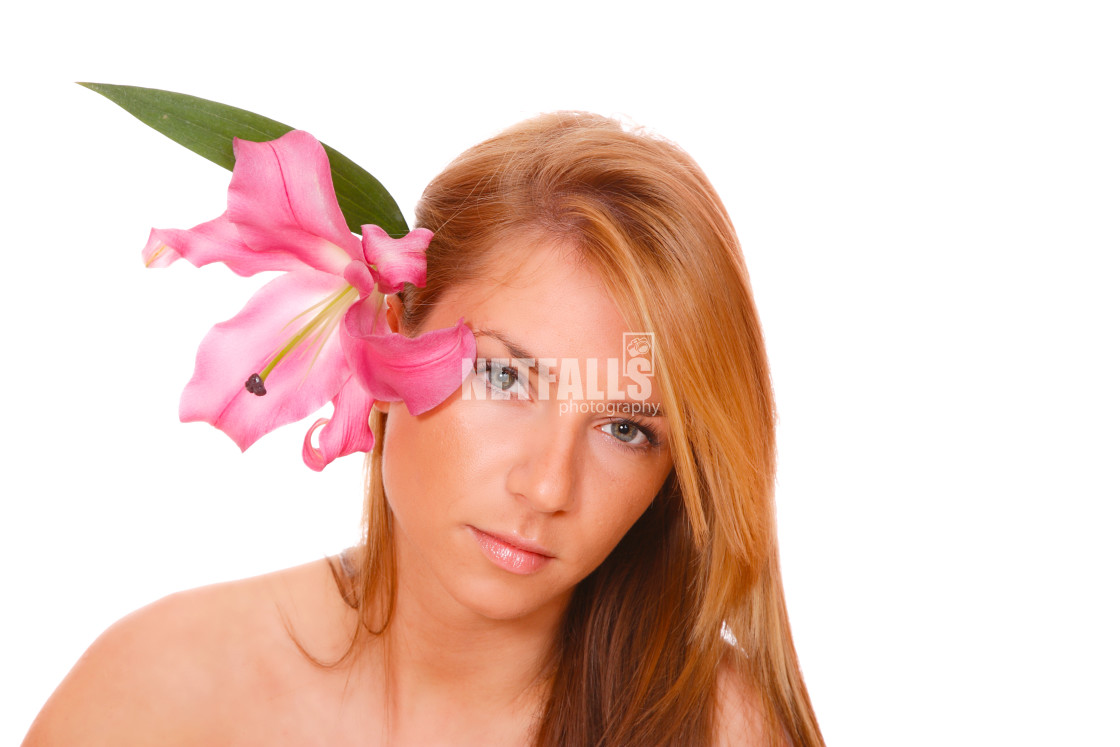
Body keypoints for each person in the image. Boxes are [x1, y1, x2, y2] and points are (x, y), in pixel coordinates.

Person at [23, 112, 823, 746]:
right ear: (390, 333)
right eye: (505, 376)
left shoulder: (721, 732)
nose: (546, 486)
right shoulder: (157, 694)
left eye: (625, 427)